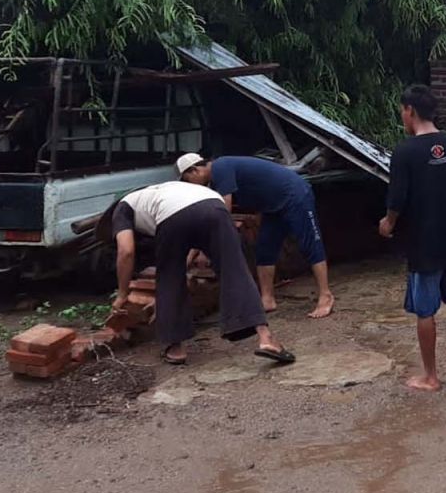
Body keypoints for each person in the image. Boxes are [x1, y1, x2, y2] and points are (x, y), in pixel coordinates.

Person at [106, 180, 294, 365]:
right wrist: (183, 269)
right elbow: (192, 231)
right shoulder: (163, 191)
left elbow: (126, 251)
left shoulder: (121, 209)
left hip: (172, 216)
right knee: (235, 270)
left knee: (169, 278)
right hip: (214, 205)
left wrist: (122, 295)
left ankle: (176, 349)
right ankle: (266, 338)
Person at [379, 84, 446, 392]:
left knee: (426, 311)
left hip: (423, 244)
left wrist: (388, 222)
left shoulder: (405, 152)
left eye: (402, 111)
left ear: (410, 110)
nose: (402, 117)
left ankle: (431, 376)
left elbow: (396, 199)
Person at [178, 154, 333, 319]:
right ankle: (267, 299)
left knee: (310, 243)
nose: (189, 185)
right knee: (265, 249)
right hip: (272, 206)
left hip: (294, 195)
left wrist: (205, 249)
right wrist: (194, 251)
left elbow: (223, 212)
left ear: (195, 170)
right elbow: (208, 219)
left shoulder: (220, 168)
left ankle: (325, 295)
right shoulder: (214, 181)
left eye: (187, 180)